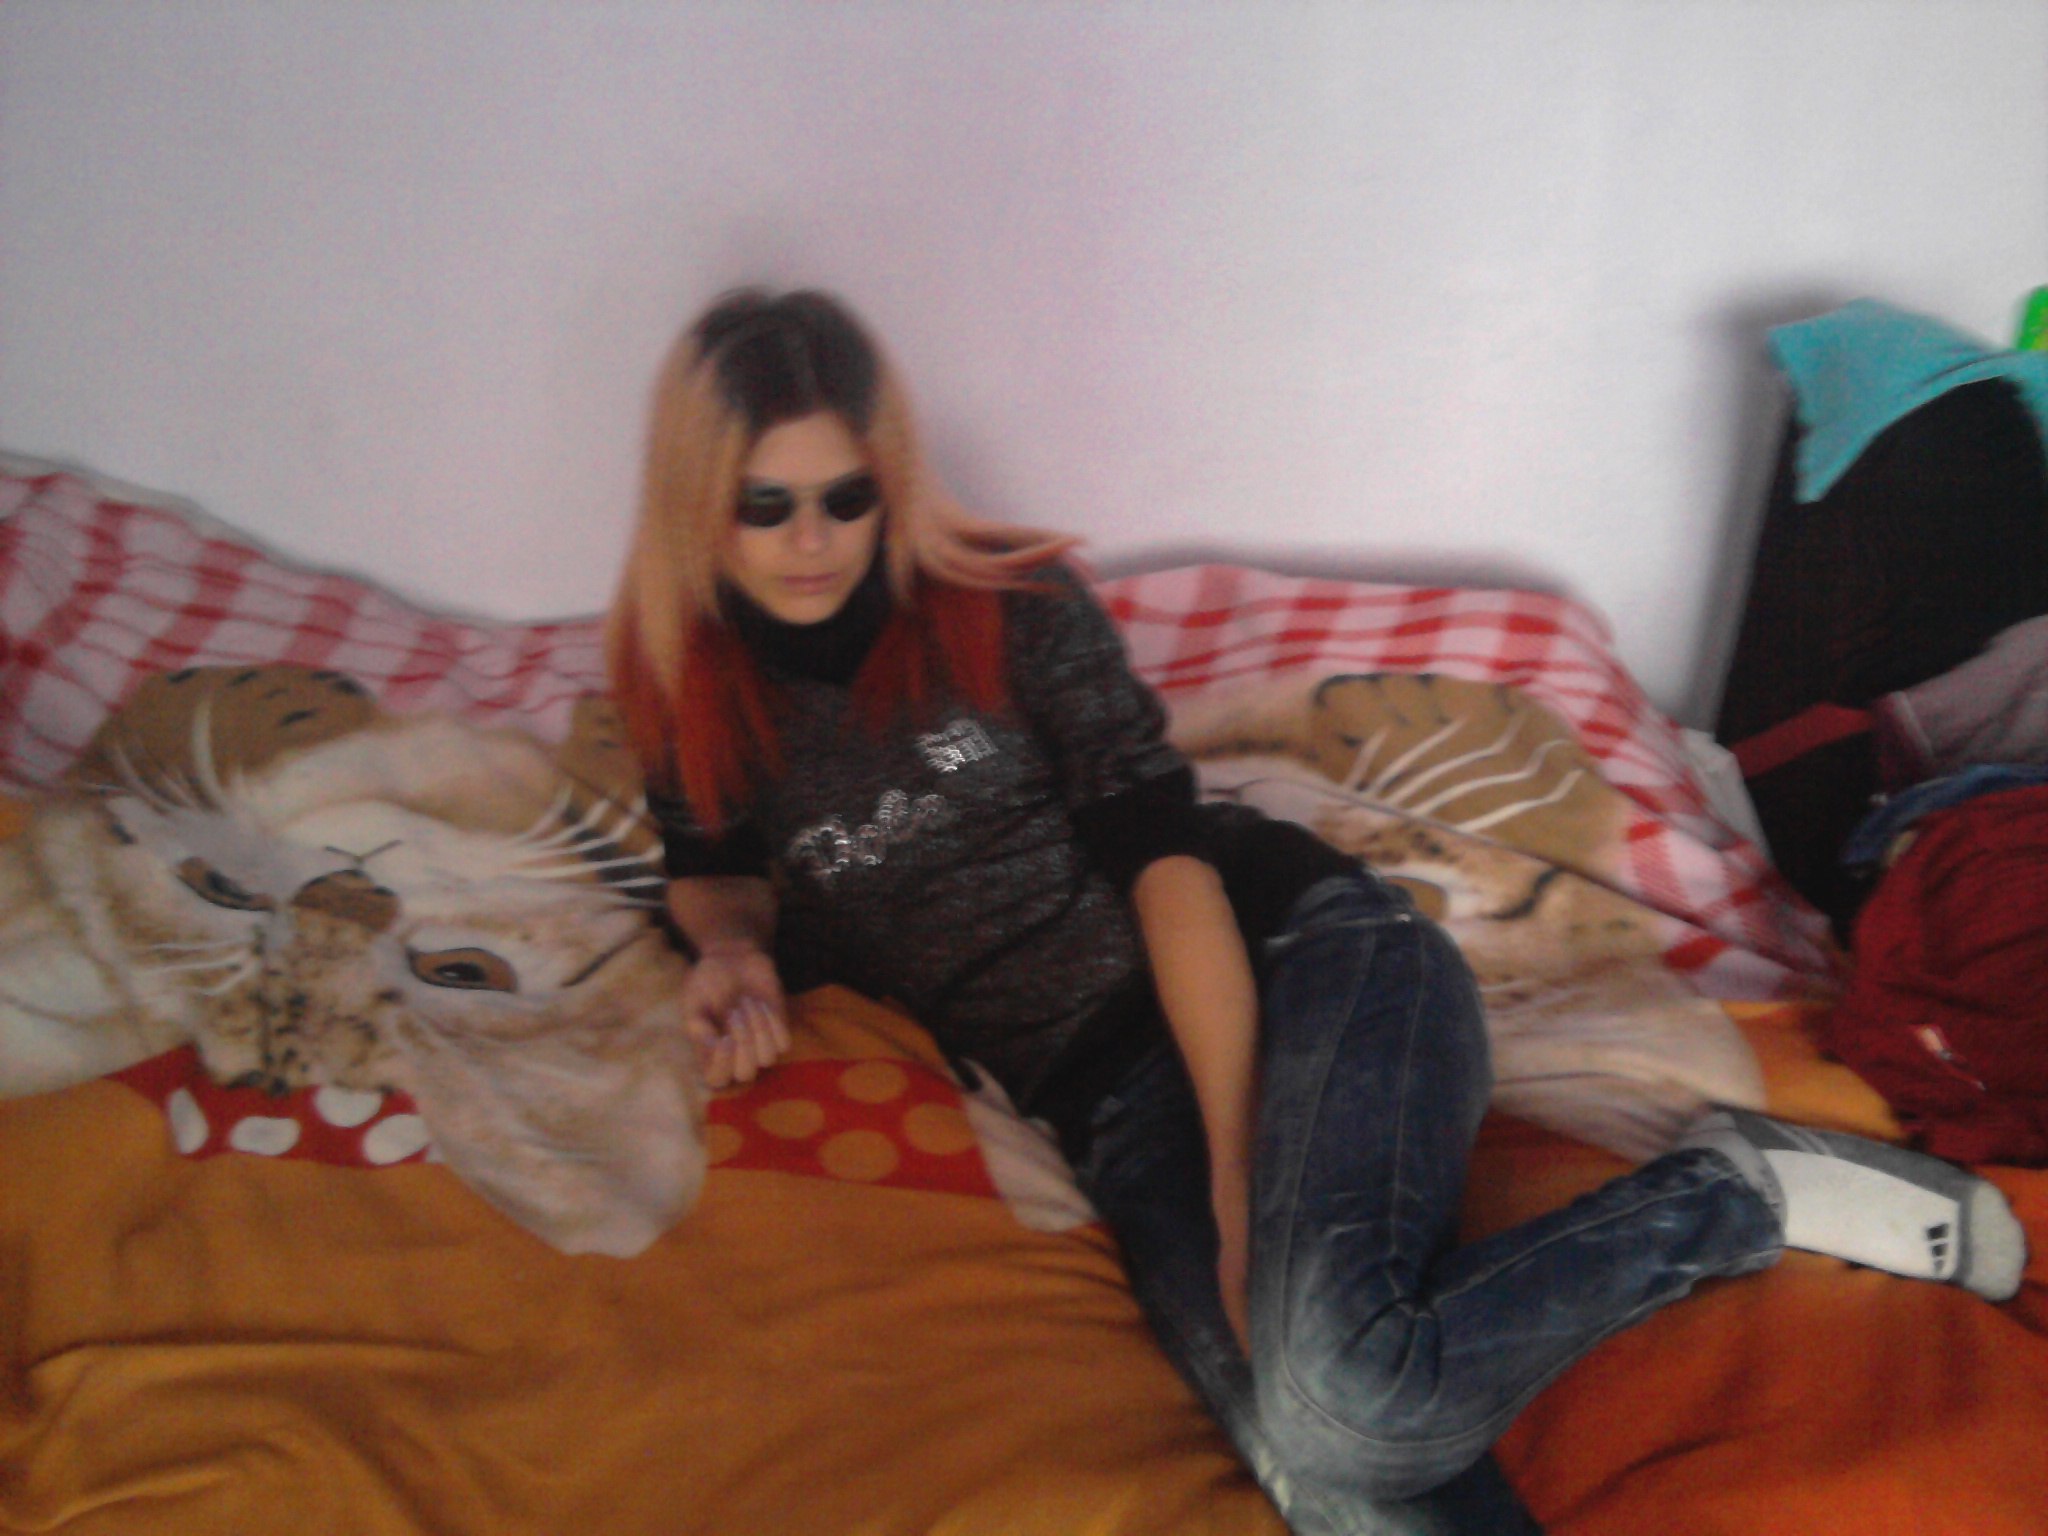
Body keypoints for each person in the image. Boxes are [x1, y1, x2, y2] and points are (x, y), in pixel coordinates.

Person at [605, 288, 2028, 1536]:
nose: (813, 541)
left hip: (1296, 972)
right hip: (1103, 1107)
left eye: (847, 497)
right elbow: (712, 861)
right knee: (1332, 1476)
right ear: (698, 501)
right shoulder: (690, 688)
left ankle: (1732, 1197)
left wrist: (1241, 1188)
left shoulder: (1011, 608)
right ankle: (1718, 1201)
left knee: (1337, 1403)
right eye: (766, 506)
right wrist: (730, 947)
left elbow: (1170, 872)